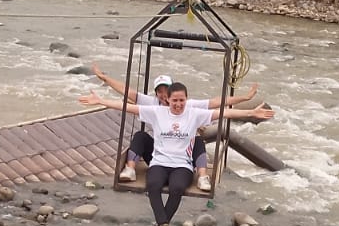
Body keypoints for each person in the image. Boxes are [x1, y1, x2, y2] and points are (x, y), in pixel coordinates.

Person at [81, 82, 274, 226]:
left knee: (177, 188)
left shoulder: (194, 114)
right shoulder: (157, 112)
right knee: (153, 186)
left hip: (182, 164)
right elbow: (128, 107)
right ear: (168, 100)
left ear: (186, 100)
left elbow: (223, 113)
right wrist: (101, 101)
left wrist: (251, 112)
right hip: (159, 162)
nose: (178, 104)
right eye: (175, 100)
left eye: (182, 100)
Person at [89, 63, 259, 192]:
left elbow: (216, 103)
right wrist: (104, 78)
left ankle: (202, 176)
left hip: (181, 156)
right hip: (159, 155)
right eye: (160, 91)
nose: (163, 95)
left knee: (197, 140)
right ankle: (130, 169)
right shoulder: (152, 104)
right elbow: (126, 91)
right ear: (156, 93)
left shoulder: (186, 104)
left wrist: (244, 98)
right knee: (140, 135)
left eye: (166, 90)